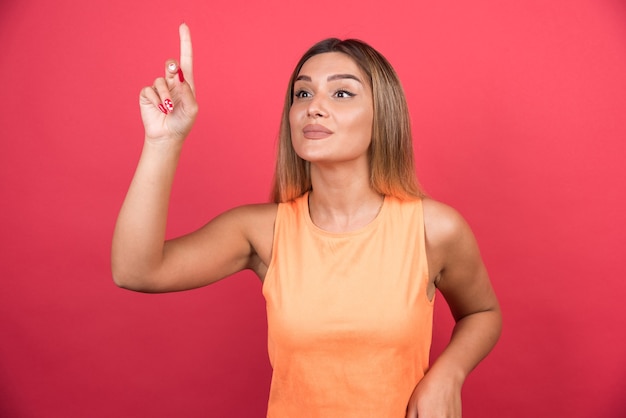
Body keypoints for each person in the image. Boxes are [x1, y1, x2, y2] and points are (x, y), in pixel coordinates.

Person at [111, 23, 502, 418]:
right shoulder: (262, 232)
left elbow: (482, 314)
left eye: (342, 92)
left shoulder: (433, 229)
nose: (314, 105)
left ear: (383, 114)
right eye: (303, 93)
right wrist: (164, 140)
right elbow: (136, 271)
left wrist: (448, 374)